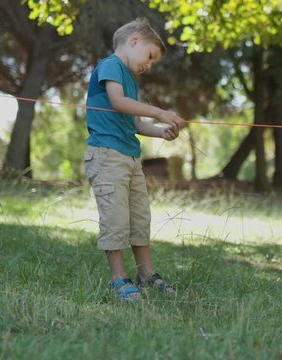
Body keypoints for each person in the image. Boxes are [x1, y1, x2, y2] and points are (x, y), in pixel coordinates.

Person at [83, 18, 185, 301]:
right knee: (115, 218)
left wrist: (162, 131)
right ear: (135, 40)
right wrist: (161, 112)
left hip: (129, 157)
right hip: (106, 155)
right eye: (150, 56)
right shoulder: (111, 65)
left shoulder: (130, 80)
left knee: (139, 217)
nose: (149, 65)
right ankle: (118, 278)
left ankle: (146, 274)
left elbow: (136, 123)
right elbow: (117, 102)